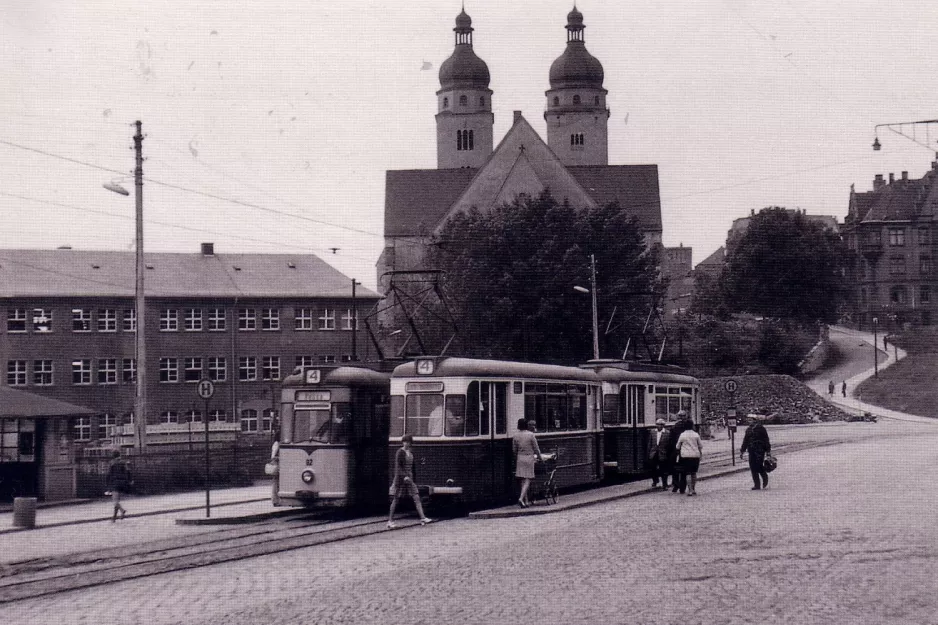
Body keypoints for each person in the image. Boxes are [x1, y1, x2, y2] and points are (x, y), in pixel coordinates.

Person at [387, 434, 432, 528]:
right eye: (405, 441)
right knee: (396, 499)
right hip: (401, 478)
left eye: (408, 442)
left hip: (409, 478)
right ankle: (390, 521)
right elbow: (398, 467)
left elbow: (412, 467)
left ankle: (423, 517)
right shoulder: (400, 452)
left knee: (416, 497)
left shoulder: (411, 452)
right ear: (403, 442)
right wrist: (404, 476)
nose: (406, 443)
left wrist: (412, 478)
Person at [512, 418, 543, 508]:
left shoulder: (515, 436)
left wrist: (516, 457)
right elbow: (536, 449)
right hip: (529, 458)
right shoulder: (531, 435)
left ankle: (526, 502)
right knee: (528, 479)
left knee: (522, 480)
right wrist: (540, 458)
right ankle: (521, 499)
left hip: (520, 458)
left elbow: (514, 450)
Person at [740, 421, 772, 490]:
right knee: (752, 467)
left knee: (759, 466)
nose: (750, 421)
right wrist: (742, 451)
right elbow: (745, 441)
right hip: (751, 450)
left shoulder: (761, 429)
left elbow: (766, 440)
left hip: (760, 450)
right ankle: (757, 485)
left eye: (752, 420)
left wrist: (768, 451)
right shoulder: (748, 429)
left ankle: (764, 477)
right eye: (749, 420)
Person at [675, 419, 703, 496]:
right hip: (695, 456)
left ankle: (689, 490)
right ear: (692, 426)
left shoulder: (682, 435)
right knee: (694, 473)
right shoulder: (696, 434)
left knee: (688, 473)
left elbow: (677, 446)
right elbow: (700, 445)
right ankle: (693, 489)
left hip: (685, 456)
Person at [106, 451, 131, 521]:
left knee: (115, 501)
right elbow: (128, 471)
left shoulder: (112, 463)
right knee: (117, 500)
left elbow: (109, 474)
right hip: (123, 483)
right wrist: (130, 480)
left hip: (115, 482)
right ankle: (114, 517)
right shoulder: (123, 462)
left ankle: (122, 510)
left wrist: (107, 483)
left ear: (113, 456)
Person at [647, 418, 671, 489]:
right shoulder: (652, 432)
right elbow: (649, 443)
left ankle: (665, 484)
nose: (658, 426)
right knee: (652, 468)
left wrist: (667, 454)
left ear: (663, 425)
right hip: (653, 453)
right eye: (657, 424)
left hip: (663, 453)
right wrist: (649, 453)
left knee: (663, 469)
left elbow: (669, 445)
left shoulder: (667, 433)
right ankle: (655, 480)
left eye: (660, 425)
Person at [668, 418, 686, 493]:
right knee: (683, 470)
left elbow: (670, 441)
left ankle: (675, 485)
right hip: (684, 452)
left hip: (675, 451)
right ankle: (682, 487)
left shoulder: (673, 429)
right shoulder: (686, 431)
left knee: (675, 469)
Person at [269, 434, 281, 506]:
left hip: (278, 465)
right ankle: (275, 500)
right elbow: (273, 456)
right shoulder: (277, 444)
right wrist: (280, 457)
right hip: (277, 465)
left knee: (277, 483)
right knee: (276, 483)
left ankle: (276, 499)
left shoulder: (277, 443)